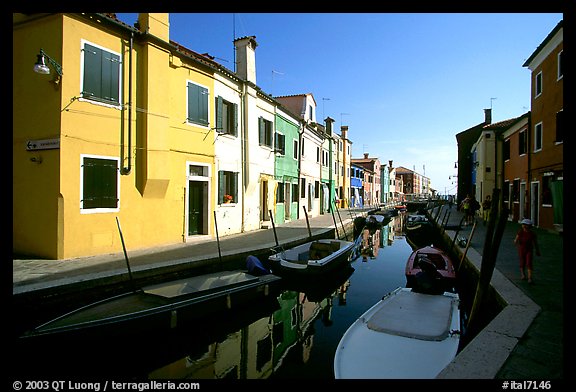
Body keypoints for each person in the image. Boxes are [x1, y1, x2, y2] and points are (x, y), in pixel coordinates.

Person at [514, 218, 541, 284]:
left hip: (529, 249)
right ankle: (523, 274)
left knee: (529, 262)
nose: (524, 226)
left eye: (526, 225)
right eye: (523, 224)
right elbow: (516, 239)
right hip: (521, 249)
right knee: (522, 262)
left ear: (529, 226)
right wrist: (515, 243)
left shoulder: (532, 234)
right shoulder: (520, 232)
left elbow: (535, 243)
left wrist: (537, 250)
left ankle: (530, 277)